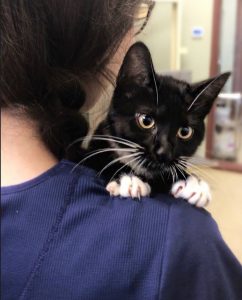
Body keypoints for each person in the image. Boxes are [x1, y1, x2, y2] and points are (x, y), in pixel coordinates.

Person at [1, 1, 242, 299]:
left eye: (184, 132)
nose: (166, 149)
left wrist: (182, 181)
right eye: (136, 16)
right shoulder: (176, 240)